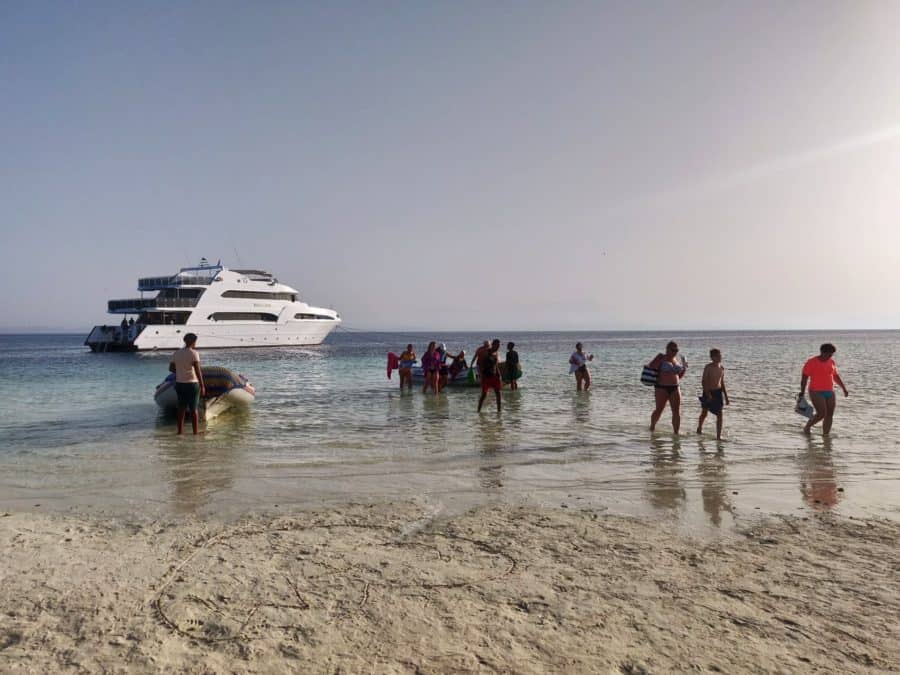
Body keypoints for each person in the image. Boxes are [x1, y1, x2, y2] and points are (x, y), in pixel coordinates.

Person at [799, 343, 849, 435]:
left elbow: (835, 376)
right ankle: (807, 427)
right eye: (829, 354)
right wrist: (802, 391)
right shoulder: (811, 362)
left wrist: (844, 388)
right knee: (821, 414)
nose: (830, 356)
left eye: (832, 354)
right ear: (822, 352)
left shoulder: (831, 362)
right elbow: (804, 377)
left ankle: (826, 436)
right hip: (815, 391)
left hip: (830, 391)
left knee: (830, 414)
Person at [169, 333, 206, 435]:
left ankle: (180, 432)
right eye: (195, 342)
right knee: (194, 409)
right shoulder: (194, 353)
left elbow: (171, 368)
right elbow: (198, 371)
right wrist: (202, 386)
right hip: (192, 384)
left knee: (181, 409)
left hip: (180, 384)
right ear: (193, 342)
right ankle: (195, 432)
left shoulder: (176, 353)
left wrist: (181, 371)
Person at [650, 341, 687, 433]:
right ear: (667, 349)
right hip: (661, 387)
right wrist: (660, 364)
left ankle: (676, 433)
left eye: (676, 350)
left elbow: (679, 376)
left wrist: (684, 367)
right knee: (659, 410)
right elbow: (651, 368)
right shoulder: (661, 357)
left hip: (675, 387)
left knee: (676, 411)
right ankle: (652, 427)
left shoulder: (676, 360)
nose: (675, 352)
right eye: (673, 350)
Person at [697, 348, 730, 440]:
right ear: (712, 357)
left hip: (718, 392)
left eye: (720, 355)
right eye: (717, 356)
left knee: (720, 414)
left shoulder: (722, 368)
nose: (720, 357)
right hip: (708, 391)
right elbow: (703, 381)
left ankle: (718, 436)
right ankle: (699, 427)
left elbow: (722, 383)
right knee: (704, 413)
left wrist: (726, 397)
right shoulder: (708, 367)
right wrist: (708, 394)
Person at [477, 339, 502, 413]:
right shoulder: (486, 352)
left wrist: (499, 375)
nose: (498, 347)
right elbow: (480, 364)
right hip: (486, 376)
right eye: (497, 345)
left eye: (499, 346)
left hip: (495, 376)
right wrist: (481, 376)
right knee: (484, 395)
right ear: (493, 344)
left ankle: (499, 412)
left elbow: (496, 365)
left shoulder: (496, 353)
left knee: (498, 394)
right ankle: (478, 411)